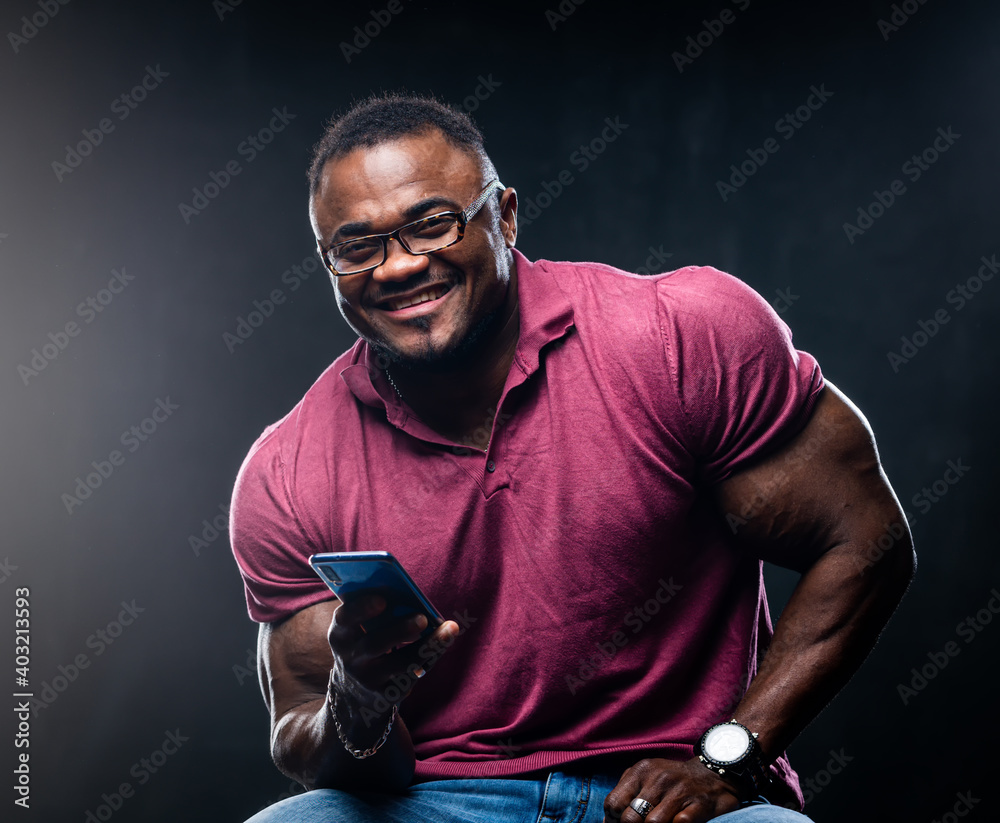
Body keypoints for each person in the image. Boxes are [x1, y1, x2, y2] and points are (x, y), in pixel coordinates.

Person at [230, 94, 915, 823]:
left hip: (675, 797)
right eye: (356, 246)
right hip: (437, 800)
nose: (397, 266)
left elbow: (867, 540)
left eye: (432, 224)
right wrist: (360, 700)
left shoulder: (678, 336)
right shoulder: (289, 467)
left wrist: (730, 757)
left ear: (506, 216)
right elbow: (301, 732)